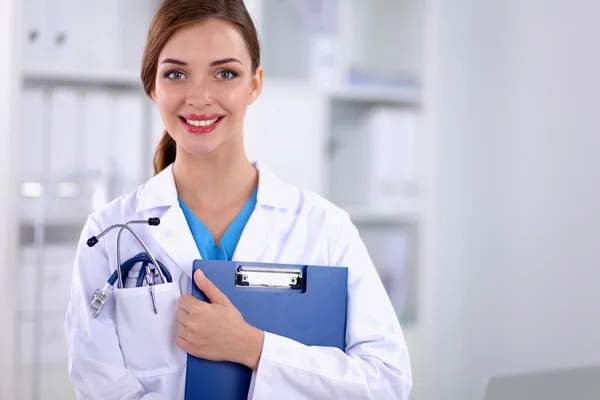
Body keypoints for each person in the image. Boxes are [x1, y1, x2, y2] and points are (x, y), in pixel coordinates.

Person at [65, 0, 412, 398]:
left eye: (224, 73)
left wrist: (253, 347)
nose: (199, 97)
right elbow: (100, 387)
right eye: (176, 73)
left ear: (254, 84)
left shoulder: (325, 228)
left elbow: (387, 382)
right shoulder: (107, 235)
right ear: (152, 86)